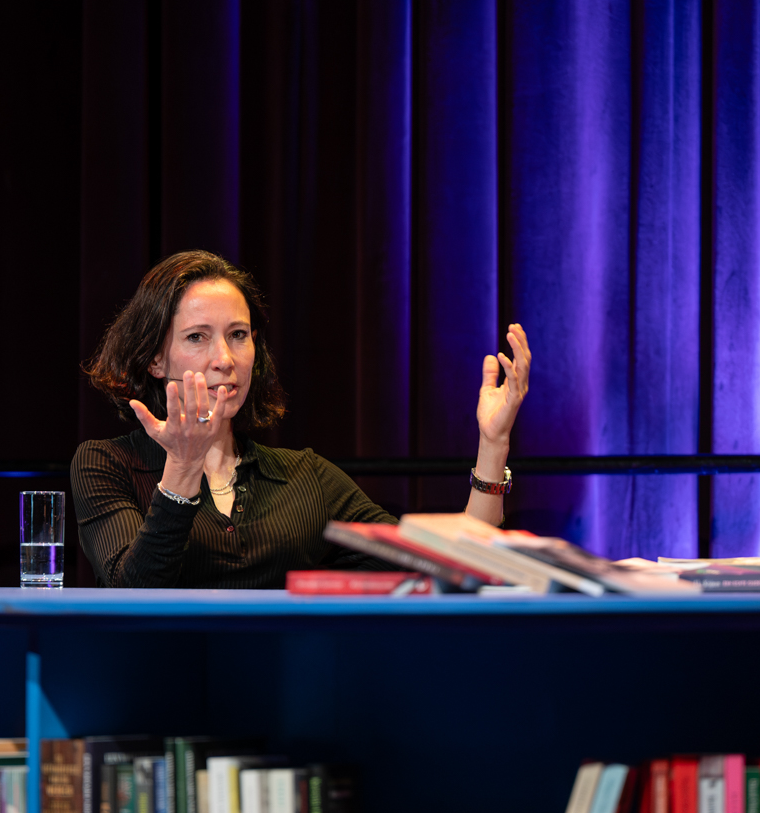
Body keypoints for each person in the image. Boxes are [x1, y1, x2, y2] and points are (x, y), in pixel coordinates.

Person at [72, 250, 532, 589]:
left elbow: (452, 566)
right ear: (155, 359)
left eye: (238, 335)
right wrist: (183, 468)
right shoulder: (106, 464)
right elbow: (133, 592)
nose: (224, 359)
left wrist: (493, 444)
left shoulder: (303, 477)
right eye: (197, 337)